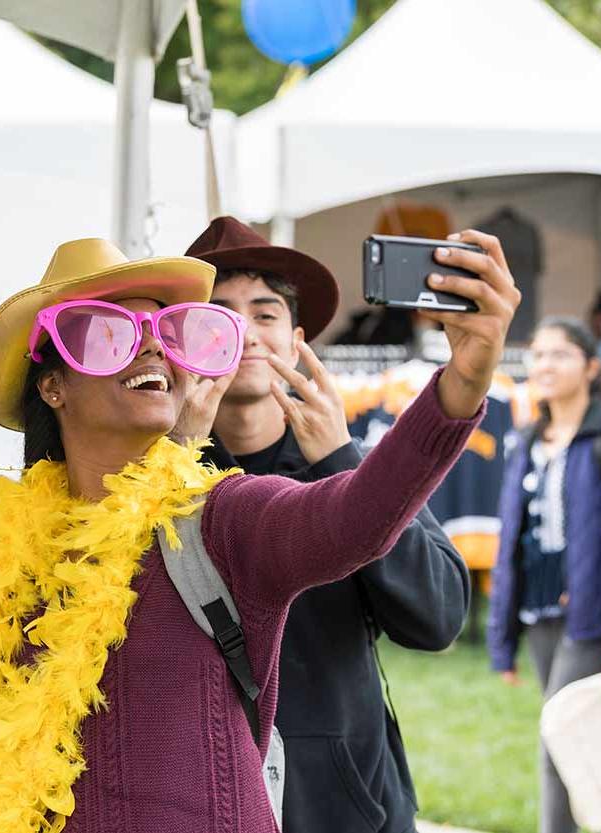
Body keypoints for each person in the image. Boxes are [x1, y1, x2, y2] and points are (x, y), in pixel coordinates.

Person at [0, 231, 519, 833]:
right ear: (53, 385)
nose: (151, 348)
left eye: (163, 331)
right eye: (107, 335)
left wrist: (462, 383)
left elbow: (355, 517)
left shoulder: (222, 517)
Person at [176, 216, 469, 833]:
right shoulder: (158, 481)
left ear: (296, 339)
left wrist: (341, 466)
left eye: (264, 314)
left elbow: (437, 618)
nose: (245, 334)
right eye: (219, 316)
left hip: (348, 805)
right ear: (187, 340)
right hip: (206, 798)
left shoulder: (355, 463)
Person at [488, 317, 601, 833]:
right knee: (594, 739)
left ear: (591, 366)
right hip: (539, 614)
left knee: (557, 737)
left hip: (594, 617)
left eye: (560, 354)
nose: (545, 365)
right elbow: (510, 540)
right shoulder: (526, 439)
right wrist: (502, 639)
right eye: (537, 355)